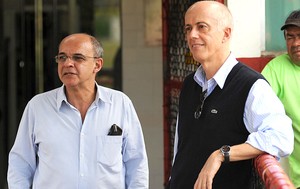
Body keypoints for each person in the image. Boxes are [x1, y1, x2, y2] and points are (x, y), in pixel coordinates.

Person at [167, 1, 294, 189]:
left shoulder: (251, 85)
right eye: (188, 28)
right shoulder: (189, 83)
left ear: (226, 33)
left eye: (202, 27)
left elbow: (281, 137)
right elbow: (180, 149)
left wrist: (221, 154)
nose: (192, 35)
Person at [7, 33, 149, 189]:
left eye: (78, 58)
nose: (68, 63)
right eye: (62, 57)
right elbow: (20, 164)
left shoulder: (120, 104)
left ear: (98, 65)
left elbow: (137, 165)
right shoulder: (37, 107)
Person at [262, 10, 300, 189]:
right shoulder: (276, 69)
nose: (295, 43)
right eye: (290, 37)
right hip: (295, 176)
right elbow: (257, 106)